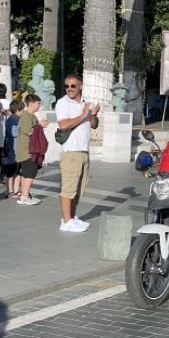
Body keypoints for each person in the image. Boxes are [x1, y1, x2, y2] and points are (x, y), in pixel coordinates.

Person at [55, 75, 100, 233]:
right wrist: (83, 115)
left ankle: (72, 218)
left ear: (80, 86)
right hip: (71, 151)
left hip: (83, 150)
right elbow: (63, 124)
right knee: (69, 187)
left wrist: (93, 114)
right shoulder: (62, 103)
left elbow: (94, 125)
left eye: (73, 86)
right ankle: (66, 221)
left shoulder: (84, 102)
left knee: (79, 188)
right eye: (67, 86)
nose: (69, 89)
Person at [16, 94, 48, 206]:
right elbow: (29, 131)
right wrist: (40, 125)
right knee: (29, 173)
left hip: (31, 149)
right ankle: (24, 196)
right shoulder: (26, 116)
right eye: (38, 103)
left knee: (28, 173)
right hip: (27, 150)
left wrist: (39, 126)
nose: (39, 106)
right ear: (31, 103)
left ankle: (25, 194)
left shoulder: (32, 116)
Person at [3, 100, 24, 198]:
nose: (23, 112)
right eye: (22, 110)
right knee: (10, 172)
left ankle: (16, 190)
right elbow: (13, 132)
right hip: (11, 149)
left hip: (18, 150)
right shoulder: (11, 119)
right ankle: (9, 191)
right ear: (17, 110)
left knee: (17, 171)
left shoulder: (18, 119)